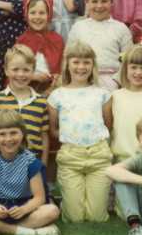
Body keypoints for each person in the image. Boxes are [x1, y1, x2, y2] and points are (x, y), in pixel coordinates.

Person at [0, 110, 61, 235]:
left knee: (52, 210)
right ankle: (27, 232)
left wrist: (24, 209)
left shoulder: (30, 161)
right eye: (2, 134)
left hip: (23, 208)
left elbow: (39, 198)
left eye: (13, 133)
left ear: (22, 134)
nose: (8, 139)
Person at [48, 41, 113, 222]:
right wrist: (71, 138)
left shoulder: (102, 94)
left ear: (93, 65)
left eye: (86, 62)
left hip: (98, 154)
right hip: (70, 156)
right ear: (67, 64)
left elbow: (108, 124)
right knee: (75, 218)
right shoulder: (57, 95)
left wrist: (93, 138)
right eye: (76, 62)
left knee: (97, 218)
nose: (81, 67)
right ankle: (68, 203)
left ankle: (93, 203)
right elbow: (53, 129)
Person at [0, 45, 50, 164]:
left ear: (33, 71)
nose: (21, 74)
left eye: (26, 70)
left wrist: (43, 164)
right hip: (3, 162)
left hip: (33, 162)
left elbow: (44, 136)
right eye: (15, 69)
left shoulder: (41, 102)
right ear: (6, 70)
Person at [67, 0, 133, 91]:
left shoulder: (121, 29)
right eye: (94, 1)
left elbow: (128, 60)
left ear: (112, 2)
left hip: (113, 85)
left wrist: (117, 81)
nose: (99, 6)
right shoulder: (78, 28)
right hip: (83, 82)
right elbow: (69, 57)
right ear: (86, 2)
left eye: (104, 1)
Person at [16, 0, 65, 95]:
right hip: (26, 90)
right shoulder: (22, 41)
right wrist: (32, 76)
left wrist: (57, 77)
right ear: (26, 15)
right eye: (33, 13)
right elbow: (14, 70)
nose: (37, 17)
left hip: (53, 90)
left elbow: (62, 67)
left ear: (49, 15)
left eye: (42, 13)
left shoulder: (57, 40)